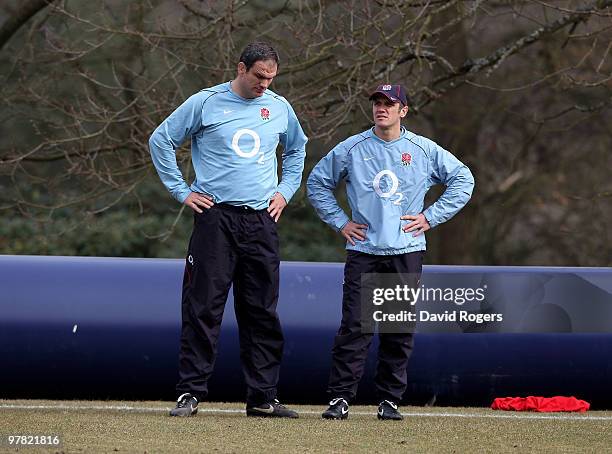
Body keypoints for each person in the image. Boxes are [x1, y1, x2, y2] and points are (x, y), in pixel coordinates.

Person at [149, 42, 307, 418]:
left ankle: (263, 397)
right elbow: (161, 140)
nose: (264, 85)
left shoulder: (280, 108)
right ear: (241, 68)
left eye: (271, 78)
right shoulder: (205, 103)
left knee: (261, 311)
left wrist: (285, 191)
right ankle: (190, 393)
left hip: (261, 221)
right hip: (215, 218)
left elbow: (298, 150)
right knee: (203, 306)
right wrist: (181, 191)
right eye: (259, 76)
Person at [307, 84, 474, 420]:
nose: (381, 108)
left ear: (403, 111)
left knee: (397, 328)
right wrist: (341, 222)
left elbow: (463, 179)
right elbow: (317, 182)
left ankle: (389, 400)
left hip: (404, 249)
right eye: (377, 103)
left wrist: (430, 216)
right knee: (355, 326)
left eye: (389, 103)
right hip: (364, 250)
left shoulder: (422, 150)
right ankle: (341, 398)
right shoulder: (352, 148)